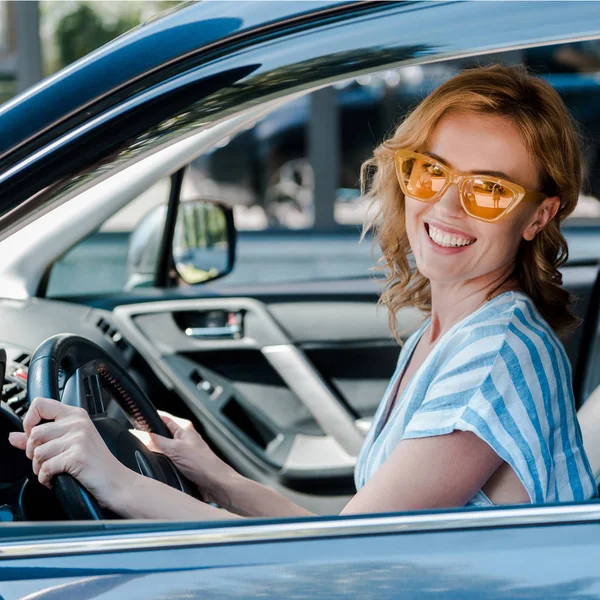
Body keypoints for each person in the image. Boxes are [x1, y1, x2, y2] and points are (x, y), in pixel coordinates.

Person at [9, 65, 598, 519]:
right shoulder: (450, 333)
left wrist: (117, 483)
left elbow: (343, 564)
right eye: (433, 172)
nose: (445, 204)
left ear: (537, 216)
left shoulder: (495, 355)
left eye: (489, 190)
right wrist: (215, 475)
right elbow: (347, 534)